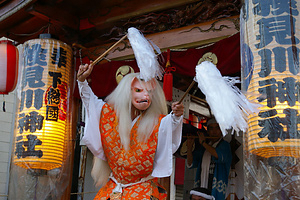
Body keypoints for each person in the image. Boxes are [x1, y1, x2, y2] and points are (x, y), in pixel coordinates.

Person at [77, 63, 184, 199]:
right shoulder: (108, 114)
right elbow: (89, 100)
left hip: (142, 190)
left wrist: (177, 116)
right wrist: (81, 81)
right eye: (138, 90)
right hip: (113, 187)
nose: (146, 95)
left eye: (150, 92)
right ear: (127, 91)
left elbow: (171, 126)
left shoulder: (158, 122)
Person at [187, 117, 232, 200]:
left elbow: (217, 155)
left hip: (216, 188)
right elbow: (191, 163)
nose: (214, 131)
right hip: (202, 186)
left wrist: (203, 143)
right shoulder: (204, 148)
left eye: (217, 128)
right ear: (207, 131)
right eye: (211, 128)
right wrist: (189, 148)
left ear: (221, 130)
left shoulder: (225, 145)